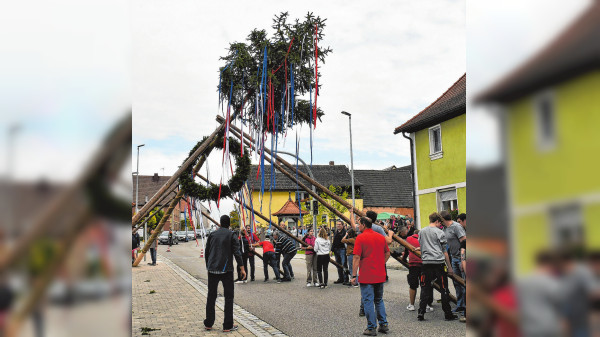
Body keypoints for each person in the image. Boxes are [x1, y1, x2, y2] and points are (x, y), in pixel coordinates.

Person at [203, 215, 244, 332]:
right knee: (229, 297)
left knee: (211, 296)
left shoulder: (212, 234)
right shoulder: (232, 235)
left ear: (220, 223)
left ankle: (209, 323)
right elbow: (237, 252)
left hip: (212, 270)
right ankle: (227, 325)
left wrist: (208, 265)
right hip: (226, 270)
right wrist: (242, 268)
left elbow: (207, 252)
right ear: (229, 224)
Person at [350, 216, 390, 336]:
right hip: (379, 273)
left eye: (359, 224)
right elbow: (388, 253)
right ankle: (383, 324)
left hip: (367, 274)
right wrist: (381, 263)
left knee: (368, 300)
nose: (358, 226)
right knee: (379, 300)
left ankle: (371, 327)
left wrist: (353, 275)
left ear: (363, 224)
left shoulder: (360, 237)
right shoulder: (380, 237)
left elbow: (356, 257)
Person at [417, 213, 457, 321]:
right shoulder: (440, 232)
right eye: (440, 223)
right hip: (438, 263)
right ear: (437, 222)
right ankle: (448, 314)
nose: (441, 225)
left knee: (425, 287)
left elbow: (421, 245)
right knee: (444, 288)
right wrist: (449, 267)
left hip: (426, 263)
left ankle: (421, 312)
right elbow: (444, 251)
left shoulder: (421, 232)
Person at [440, 210, 467, 314]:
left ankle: (467, 307)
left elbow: (464, 241)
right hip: (453, 257)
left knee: (464, 282)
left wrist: (463, 258)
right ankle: (460, 305)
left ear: (443, 219)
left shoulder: (456, 227)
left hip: (460, 258)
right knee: (456, 283)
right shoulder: (445, 229)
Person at [401, 229, 433, 313]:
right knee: (425, 285)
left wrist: (404, 259)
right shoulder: (425, 239)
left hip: (413, 265)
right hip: (424, 264)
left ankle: (411, 305)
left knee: (413, 285)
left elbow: (406, 251)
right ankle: (426, 305)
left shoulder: (409, 239)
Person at [332, 221, 349, 285]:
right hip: (336, 250)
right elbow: (334, 241)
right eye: (337, 224)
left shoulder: (345, 232)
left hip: (342, 249)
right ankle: (340, 278)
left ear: (342, 225)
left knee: (344, 264)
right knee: (338, 265)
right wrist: (332, 250)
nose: (338, 225)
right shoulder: (336, 232)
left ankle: (346, 279)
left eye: (339, 224)